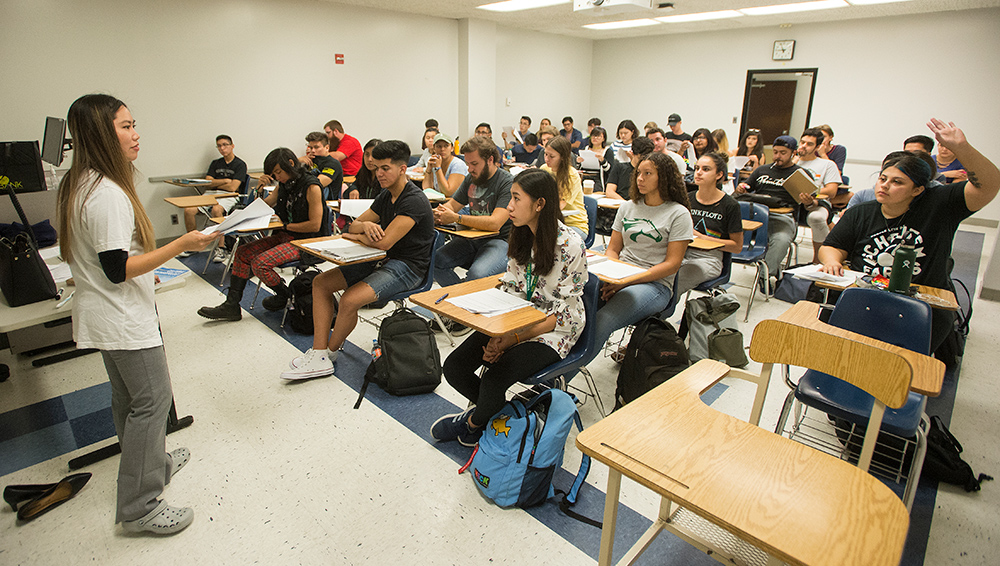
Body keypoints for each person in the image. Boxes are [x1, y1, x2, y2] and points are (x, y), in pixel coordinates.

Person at [57, 94, 220, 535]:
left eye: (134, 124)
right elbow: (117, 269)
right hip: (122, 316)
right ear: (100, 134)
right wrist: (180, 246)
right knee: (152, 403)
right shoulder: (108, 194)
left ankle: (155, 462)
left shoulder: (81, 182)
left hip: (104, 314)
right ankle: (139, 505)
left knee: (128, 400)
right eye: (126, 126)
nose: (136, 134)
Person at [430, 169, 587, 446]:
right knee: (455, 367)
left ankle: (473, 423)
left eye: (516, 198)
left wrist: (508, 340)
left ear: (540, 204)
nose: (509, 206)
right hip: (514, 320)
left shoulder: (570, 244)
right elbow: (511, 288)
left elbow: (562, 312)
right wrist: (495, 334)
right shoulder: (521, 234)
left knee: (493, 378)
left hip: (553, 329)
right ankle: (502, 416)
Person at [820, 119, 999, 351]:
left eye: (897, 182)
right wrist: (831, 260)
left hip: (919, 306)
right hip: (866, 297)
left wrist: (961, 148)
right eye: (882, 179)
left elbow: (988, 185)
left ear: (918, 190)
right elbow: (832, 245)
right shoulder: (862, 212)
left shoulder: (940, 206)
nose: (884, 186)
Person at [282, 140, 436, 380]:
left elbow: (384, 242)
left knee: (350, 299)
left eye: (385, 168)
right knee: (320, 283)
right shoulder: (386, 196)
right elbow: (353, 224)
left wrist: (358, 235)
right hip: (380, 258)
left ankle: (328, 354)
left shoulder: (413, 200)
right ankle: (320, 351)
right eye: (376, 168)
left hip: (407, 267)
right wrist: (364, 226)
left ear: (403, 169)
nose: (379, 174)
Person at [579, 152, 693, 368]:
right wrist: (614, 276)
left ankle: (561, 379)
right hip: (620, 277)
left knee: (604, 321)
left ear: (665, 177)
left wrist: (626, 281)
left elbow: (672, 264)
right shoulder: (628, 207)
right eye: (638, 173)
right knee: (576, 309)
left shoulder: (678, 214)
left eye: (648, 173)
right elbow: (613, 249)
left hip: (654, 285)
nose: (640, 178)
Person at [198, 148, 327, 319]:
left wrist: (285, 225)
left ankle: (286, 295)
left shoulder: (311, 186)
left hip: (306, 242)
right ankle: (232, 305)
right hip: (284, 235)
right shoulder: (283, 185)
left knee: (260, 263)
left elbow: (315, 225)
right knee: (243, 253)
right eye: (274, 174)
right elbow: (264, 206)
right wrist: (259, 189)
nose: (277, 177)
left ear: (290, 164)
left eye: (278, 172)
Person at [433, 136, 514, 288]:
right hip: (473, 237)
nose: (469, 169)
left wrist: (457, 218)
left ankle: (464, 299)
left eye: (474, 164)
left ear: (490, 160)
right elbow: (451, 206)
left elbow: (495, 223)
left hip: (501, 240)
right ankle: (459, 300)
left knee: (477, 275)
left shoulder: (507, 182)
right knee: (436, 262)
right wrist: (438, 213)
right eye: (467, 163)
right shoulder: (471, 178)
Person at [734, 135, 802, 289]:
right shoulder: (762, 170)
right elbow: (747, 187)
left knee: (782, 240)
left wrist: (808, 200)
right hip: (756, 216)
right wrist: (741, 188)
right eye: (776, 152)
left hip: (781, 218)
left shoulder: (799, 174)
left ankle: (765, 276)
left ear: (793, 153)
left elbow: (808, 202)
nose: (778, 156)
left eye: (783, 153)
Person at [676, 153, 743, 295]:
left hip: (709, 259)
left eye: (705, 169)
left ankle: (657, 314)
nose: (698, 172)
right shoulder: (687, 199)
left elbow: (737, 247)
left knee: (677, 280)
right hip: (682, 252)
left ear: (719, 175)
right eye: (697, 168)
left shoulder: (730, 205)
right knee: (657, 274)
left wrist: (703, 238)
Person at [180, 135, 247, 262]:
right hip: (211, 193)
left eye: (225, 145)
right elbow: (208, 182)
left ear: (232, 146)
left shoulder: (240, 164)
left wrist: (218, 182)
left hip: (229, 196)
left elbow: (233, 187)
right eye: (219, 146)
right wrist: (225, 181)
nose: (222, 148)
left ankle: (221, 248)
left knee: (216, 210)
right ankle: (193, 245)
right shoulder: (216, 163)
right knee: (189, 210)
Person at [795, 127, 843, 260]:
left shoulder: (827, 164)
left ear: (817, 147)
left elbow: (832, 191)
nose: (804, 146)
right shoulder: (791, 162)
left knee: (816, 218)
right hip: (791, 202)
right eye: (802, 142)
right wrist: (794, 161)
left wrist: (810, 191)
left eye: (809, 144)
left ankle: (819, 259)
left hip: (817, 203)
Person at [541, 136, 588, 239]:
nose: (546, 159)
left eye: (551, 156)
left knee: (549, 240)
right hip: (553, 223)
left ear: (562, 157)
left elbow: (560, 205)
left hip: (574, 225)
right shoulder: (544, 169)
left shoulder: (572, 175)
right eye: (546, 154)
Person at [422, 132, 468, 197]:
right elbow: (427, 189)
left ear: (452, 148)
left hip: (457, 205)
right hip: (440, 203)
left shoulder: (458, 165)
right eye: (439, 146)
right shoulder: (434, 161)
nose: (442, 149)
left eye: (446, 146)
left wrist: (438, 168)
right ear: (434, 149)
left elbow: (448, 192)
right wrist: (428, 170)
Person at [304, 131, 345, 201]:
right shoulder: (311, 159)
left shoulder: (333, 164)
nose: (313, 151)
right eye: (311, 147)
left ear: (327, 148)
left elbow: (317, 184)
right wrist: (299, 161)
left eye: (316, 147)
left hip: (327, 204)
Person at [576, 126, 614, 193]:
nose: (595, 138)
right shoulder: (586, 149)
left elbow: (610, 170)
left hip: (598, 179)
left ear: (603, 138)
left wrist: (603, 161)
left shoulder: (607, 151)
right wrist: (578, 162)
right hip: (585, 177)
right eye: (593, 136)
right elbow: (578, 168)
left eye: (598, 136)